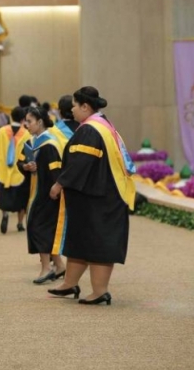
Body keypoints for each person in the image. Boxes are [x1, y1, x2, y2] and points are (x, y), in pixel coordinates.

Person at [48, 86, 135, 305]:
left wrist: (59, 183)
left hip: (100, 199)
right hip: (95, 196)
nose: (73, 110)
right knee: (81, 240)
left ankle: (99, 291)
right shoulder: (102, 126)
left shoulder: (90, 130)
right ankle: (70, 283)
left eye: (75, 106)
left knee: (97, 243)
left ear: (85, 106)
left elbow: (80, 163)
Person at [19, 106, 66, 284]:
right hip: (36, 192)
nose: (26, 124)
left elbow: (56, 170)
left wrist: (56, 188)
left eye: (29, 121)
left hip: (48, 193)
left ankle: (46, 268)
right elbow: (21, 162)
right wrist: (26, 166)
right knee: (45, 229)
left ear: (40, 122)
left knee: (39, 228)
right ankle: (60, 265)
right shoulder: (32, 143)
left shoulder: (49, 144)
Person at [0, 106, 31, 234]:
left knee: (4, 194)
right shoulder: (27, 133)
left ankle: (5, 215)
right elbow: (28, 152)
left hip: (3, 169)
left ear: (11, 116)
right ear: (23, 118)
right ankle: (20, 223)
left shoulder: (0, 131)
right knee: (22, 198)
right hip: (20, 170)